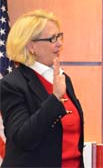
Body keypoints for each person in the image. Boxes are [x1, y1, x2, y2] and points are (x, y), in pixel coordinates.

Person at [0, 10, 84, 168]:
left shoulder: (62, 78)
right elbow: (23, 138)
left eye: (60, 36)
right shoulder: (12, 84)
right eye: (53, 38)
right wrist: (55, 99)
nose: (60, 43)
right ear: (31, 46)